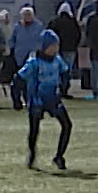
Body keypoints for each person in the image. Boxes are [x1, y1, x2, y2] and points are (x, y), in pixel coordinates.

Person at [12, 29, 73, 171]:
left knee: (67, 125)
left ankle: (59, 156)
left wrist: (63, 88)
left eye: (56, 46)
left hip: (53, 99)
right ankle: (32, 154)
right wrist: (17, 100)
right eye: (53, 46)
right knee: (34, 130)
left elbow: (65, 73)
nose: (55, 49)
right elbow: (18, 80)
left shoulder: (57, 60)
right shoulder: (34, 63)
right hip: (37, 100)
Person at [8, 5, 44, 109]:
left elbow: (42, 40)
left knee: (32, 82)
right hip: (19, 58)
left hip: (33, 59)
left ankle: (31, 101)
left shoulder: (38, 26)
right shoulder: (17, 27)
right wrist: (12, 51)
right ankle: (18, 102)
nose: (27, 17)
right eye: (25, 15)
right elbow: (12, 40)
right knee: (19, 82)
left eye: (29, 15)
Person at [51, 2, 83, 72]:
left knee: (58, 69)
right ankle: (66, 81)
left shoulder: (55, 21)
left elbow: (50, 34)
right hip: (71, 49)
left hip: (58, 49)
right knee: (68, 68)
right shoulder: (73, 22)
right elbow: (78, 34)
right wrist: (75, 45)